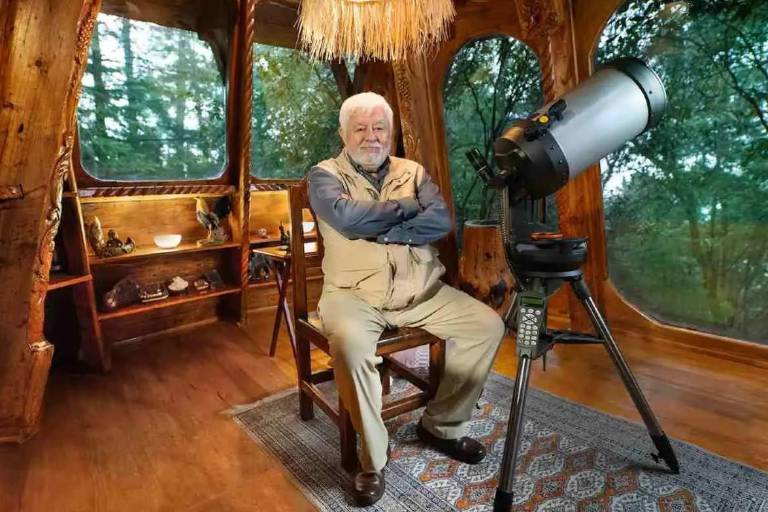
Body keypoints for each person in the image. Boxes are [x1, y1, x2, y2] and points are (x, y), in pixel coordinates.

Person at [308, 91, 505, 506]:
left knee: (488, 326)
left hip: (423, 290)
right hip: (353, 295)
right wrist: (408, 207)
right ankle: (373, 460)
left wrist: (384, 230)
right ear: (343, 134)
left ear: (391, 132)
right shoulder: (323, 175)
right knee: (350, 346)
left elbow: (440, 222)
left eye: (379, 128)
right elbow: (347, 218)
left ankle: (441, 426)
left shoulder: (413, 170)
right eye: (360, 128)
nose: (371, 137)